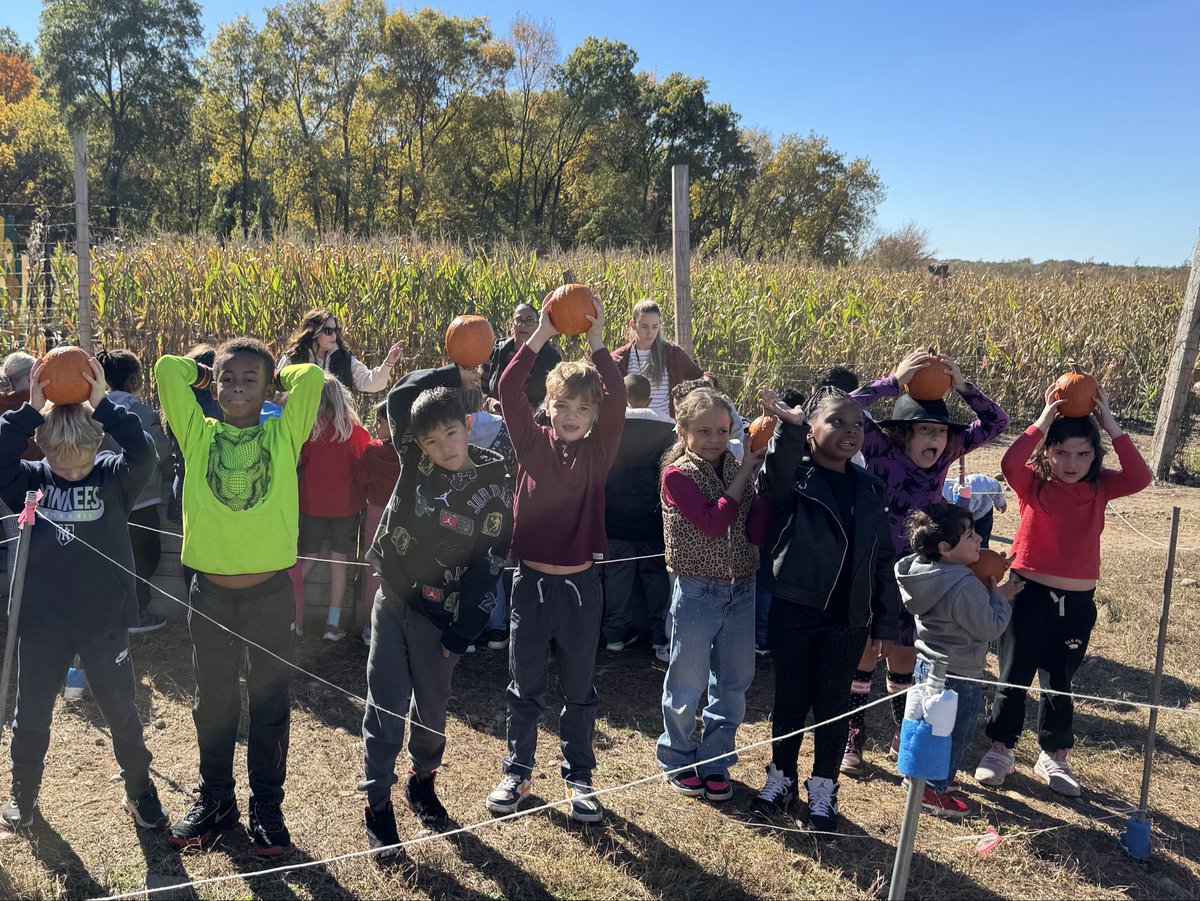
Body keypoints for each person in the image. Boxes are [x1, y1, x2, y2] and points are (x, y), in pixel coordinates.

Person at [156, 339, 323, 855]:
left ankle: (266, 806)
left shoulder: (282, 434)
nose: (237, 387)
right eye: (228, 379)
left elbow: (312, 378)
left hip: (270, 597)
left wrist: (275, 378)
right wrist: (206, 373)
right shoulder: (198, 433)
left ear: (269, 388)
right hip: (210, 596)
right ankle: (216, 800)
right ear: (213, 386)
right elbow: (166, 370)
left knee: (269, 704)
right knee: (213, 703)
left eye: (251, 380)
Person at [0, 356, 169, 832]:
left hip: (103, 622)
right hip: (42, 624)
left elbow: (145, 453)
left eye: (81, 461)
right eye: (60, 460)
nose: (72, 472)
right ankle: (23, 794)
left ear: (98, 443)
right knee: (31, 715)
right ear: (41, 447)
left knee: (122, 711)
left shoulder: (114, 477)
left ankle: (140, 791)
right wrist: (30, 410)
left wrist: (105, 405)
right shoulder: (31, 482)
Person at [359, 365, 511, 857]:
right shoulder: (415, 461)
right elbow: (401, 396)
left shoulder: (493, 490)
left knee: (431, 710)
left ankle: (421, 780)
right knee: (384, 705)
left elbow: (488, 569)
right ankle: (377, 803)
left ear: (467, 426)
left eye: (450, 433)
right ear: (417, 445)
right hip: (393, 602)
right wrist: (455, 370)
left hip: (441, 622)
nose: (443, 447)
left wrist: (462, 633)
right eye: (430, 440)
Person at [485, 297, 625, 824]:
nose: (571, 417)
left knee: (579, 689)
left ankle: (579, 777)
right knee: (524, 686)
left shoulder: (598, 451)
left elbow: (617, 399)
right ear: (548, 405)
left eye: (582, 409)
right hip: (530, 585)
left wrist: (597, 343)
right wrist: (539, 334)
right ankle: (517, 771)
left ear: (594, 415)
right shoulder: (530, 442)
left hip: (580, 590)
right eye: (563, 406)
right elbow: (507, 388)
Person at [974, 386, 1150, 797]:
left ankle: (1054, 755)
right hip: (1026, 593)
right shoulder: (1032, 484)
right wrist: (1042, 421)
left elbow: (1141, 477)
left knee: (1059, 680)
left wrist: (1111, 425)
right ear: (1047, 452)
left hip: (1077, 602)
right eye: (1062, 453)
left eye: (1083, 454)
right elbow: (1009, 461)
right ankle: (1001, 749)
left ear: (1096, 455)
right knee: (1014, 673)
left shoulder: (1101, 487)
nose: (1072, 463)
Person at [841, 351, 1009, 777]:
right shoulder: (879, 446)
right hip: (873, 563)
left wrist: (963, 387)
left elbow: (997, 422)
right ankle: (852, 735)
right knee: (865, 652)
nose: (936, 439)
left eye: (940, 430)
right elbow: (842, 409)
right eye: (925, 430)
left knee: (903, 653)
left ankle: (903, 732)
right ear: (904, 433)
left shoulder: (949, 449)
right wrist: (892, 381)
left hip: (920, 570)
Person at [748, 387, 899, 833]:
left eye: (857, 425)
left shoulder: (870, 488)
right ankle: (781, 778)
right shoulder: (794, 477)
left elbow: (882, 559)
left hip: (847, 618)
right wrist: (788, 429)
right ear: (811, 429)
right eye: (836, 421)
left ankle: (824, 787)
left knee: (834, 705)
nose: (849, 431)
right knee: (791, 699)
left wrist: (884, 620)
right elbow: (771, 482)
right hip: (795, 607)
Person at [657, 388, 768, 804]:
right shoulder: (677, 475)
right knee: (687, 681)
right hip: (698, 588)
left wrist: (763, 483)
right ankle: (677, 756)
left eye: (722, 431)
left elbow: (755, 530)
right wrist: (745, 476)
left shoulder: (738, 466)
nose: (714, 439)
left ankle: (715, 759)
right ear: (682, 431)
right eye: (703, 431)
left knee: (734, 681)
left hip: (743, 586)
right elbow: (713, 523)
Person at [896, 505, 1020, 817]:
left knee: (928, 727)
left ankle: (920, 777)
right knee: (955, 734)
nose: (979, 539)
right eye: (970, 535)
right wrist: (999, 598)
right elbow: (989, 626)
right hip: (959, 674)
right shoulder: (963, 585)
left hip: (928, 665)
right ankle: (934, 789)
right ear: (945, 548)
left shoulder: (925, 574)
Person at [98, 350, 174, 634]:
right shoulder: (142, 413)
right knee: (144, 558)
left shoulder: (92, 411)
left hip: (104, 500)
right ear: (133, 381)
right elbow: (160, 452)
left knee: (111, 557)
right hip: (141, 500)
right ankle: (137, 614)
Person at [602, 373, 675, 660]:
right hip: (651, 519)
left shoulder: (608, 426)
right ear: (649, 398)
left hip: (613, 518)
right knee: (655, 576)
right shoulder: (667, 428)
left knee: (617, 577)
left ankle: (614, 636)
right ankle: (658, 634)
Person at [298, 374, 371, 641]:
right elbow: (365, 462)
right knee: (339, 565)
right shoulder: (355, 432)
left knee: (305, 561)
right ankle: (332, 625)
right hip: (346, 506)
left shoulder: (308, 430)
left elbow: (301, 460)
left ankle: (293, 619)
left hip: (312, 504)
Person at [354, 400, 401, 647]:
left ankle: (371, 625)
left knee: (373, 567)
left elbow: (360, 477)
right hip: (402, 513)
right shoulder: (411, 452)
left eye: (379, 421)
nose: (375, 426)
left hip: (376, 512)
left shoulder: (373, 450)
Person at [612, 300, 703, 420]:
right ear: (633, 325)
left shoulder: (672, 354)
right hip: (631, 424)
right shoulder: (620, 358)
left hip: (665, 425)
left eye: (655, 327)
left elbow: (700, 376)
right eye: (644, 327)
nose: (650, 332)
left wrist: (707, 381)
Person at [279, 308, 404, 394]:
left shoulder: (344, 358)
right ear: (314, 332)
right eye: (328, 331)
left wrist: (388, 363)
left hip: (337, 422)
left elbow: (368, 382)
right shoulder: (293, 358)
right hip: (303, 422)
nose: (334, 335)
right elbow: (278, 392)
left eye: (336, 330)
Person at [484, 302, 562, 411]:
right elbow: (479, 391)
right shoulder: (495, 352)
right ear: (511, 326)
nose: (523, 325)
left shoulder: (551, 358)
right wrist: (492, 404)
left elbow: (557, 395)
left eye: (529, 320)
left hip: (533, 419)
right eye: (519, 320)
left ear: (538, 326)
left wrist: (539, 410)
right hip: (497, 418)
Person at [942, 471, 1007, 547]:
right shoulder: (935, 505)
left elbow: (994, 484)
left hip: (982, 514)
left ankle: (982, 552)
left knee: (980, 542)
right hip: (958, 520)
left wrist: (1000, 502)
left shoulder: (973, 485)